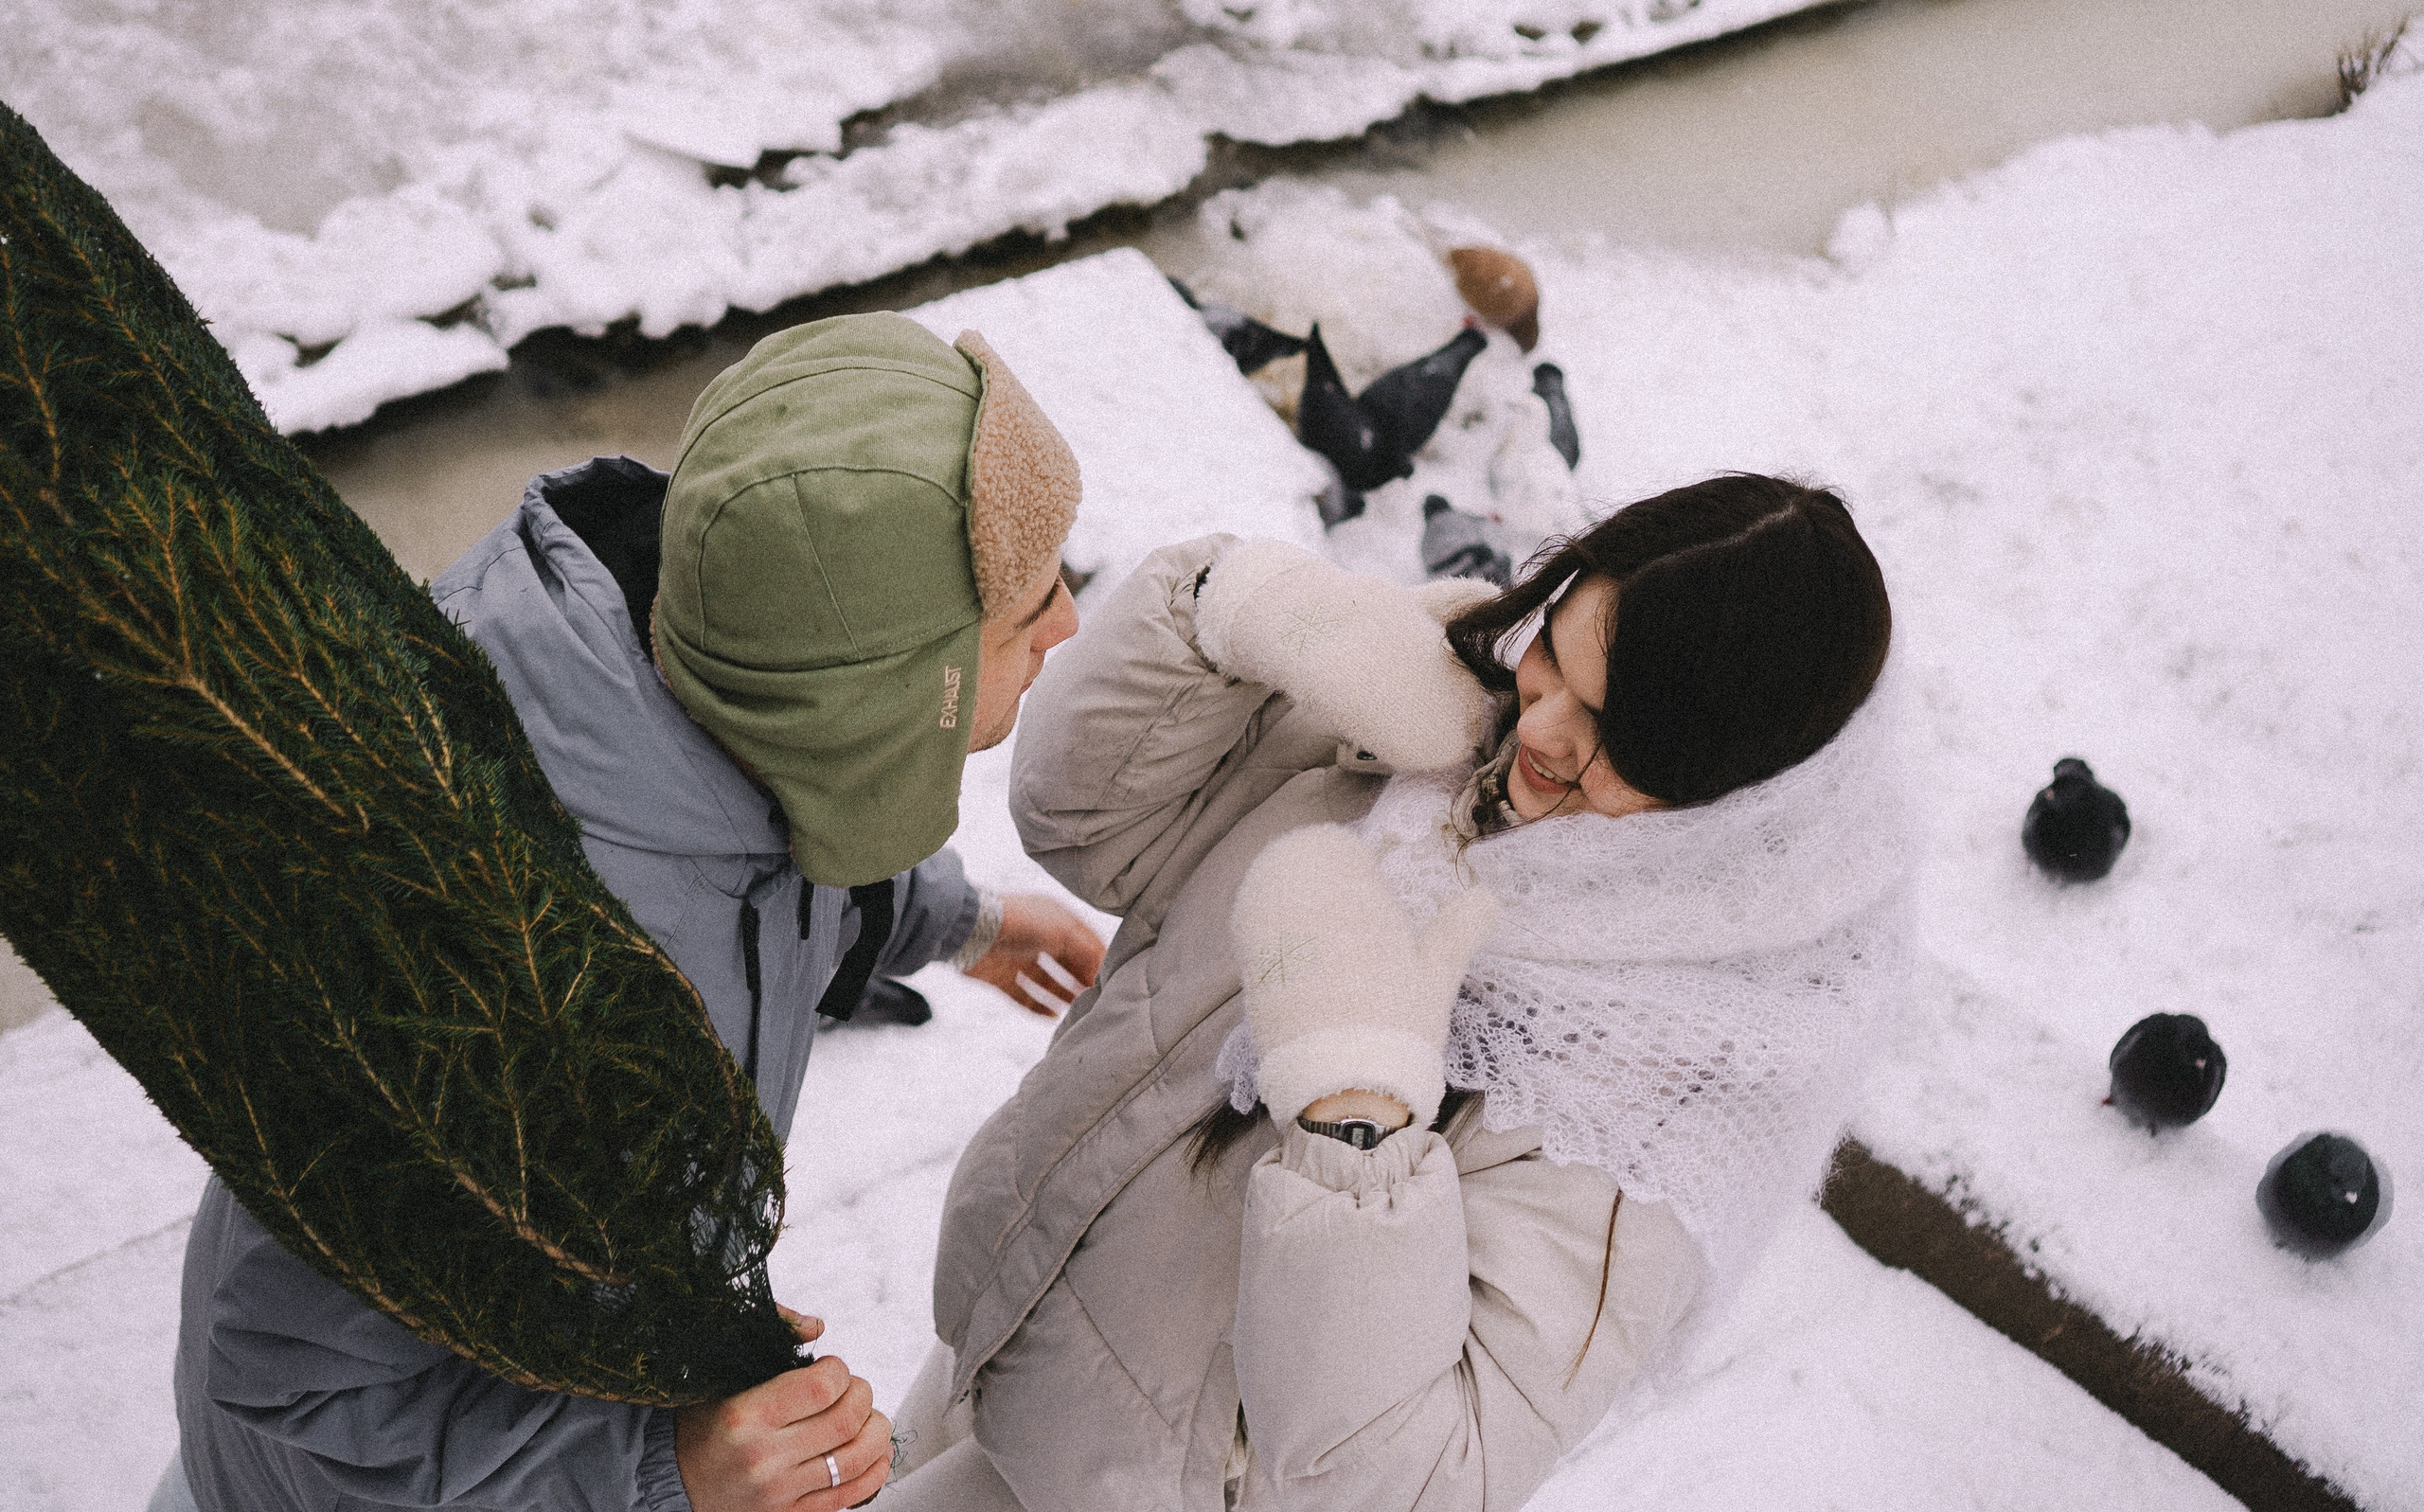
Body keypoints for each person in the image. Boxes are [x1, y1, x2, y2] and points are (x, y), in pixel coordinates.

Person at [161, 313, 1107, 1512]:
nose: (1068, 623)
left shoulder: (716, 675)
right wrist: (663, 1473)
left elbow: (771, 854)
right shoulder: (472, 961)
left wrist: (953, 920)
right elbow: (297, 1386)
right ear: (885, 694)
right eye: (1031, 606)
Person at [883, 473, 1911, 1511]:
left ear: (1728, 788)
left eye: (1618, 731)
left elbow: (1411, 1483)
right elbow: (1086, 825)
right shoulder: (1438, 716)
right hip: (1004, 1328)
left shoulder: (1664, 1088)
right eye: (1552, 653)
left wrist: (1355, 1127)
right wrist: (1231, 612)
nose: (1542, 728)